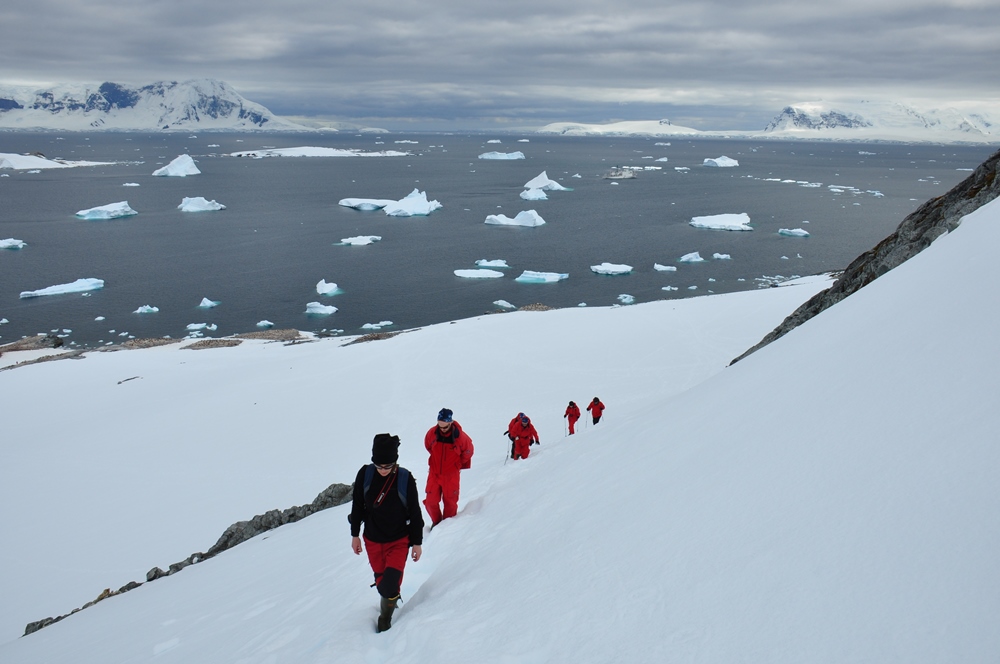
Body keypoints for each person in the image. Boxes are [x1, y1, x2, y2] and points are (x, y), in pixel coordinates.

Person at [350, 433, 424, 633]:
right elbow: (357, 506)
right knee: (383, 580)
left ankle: (385, 618)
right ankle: (390, 600)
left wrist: (417, 542)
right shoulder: (365, 474)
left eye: (388, 466)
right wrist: (355, 534)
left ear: (395, 462)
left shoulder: (404, 478)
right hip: (372, 540)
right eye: (379, 466)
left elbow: (415, 511)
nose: (383, 470)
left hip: (399, 540)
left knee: (389, 584)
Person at [423, 408, 474, 527]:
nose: (442, 429)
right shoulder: (432, 433)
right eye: (439, 426)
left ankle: (446, 527)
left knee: (450, 502)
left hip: (451, 475)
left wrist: (458, 464)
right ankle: (436, 523)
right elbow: (428, 446)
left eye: (445, 427)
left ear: (450, 423)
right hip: (434, 473)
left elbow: (468, 451)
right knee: (430, 502)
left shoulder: (460, 437)